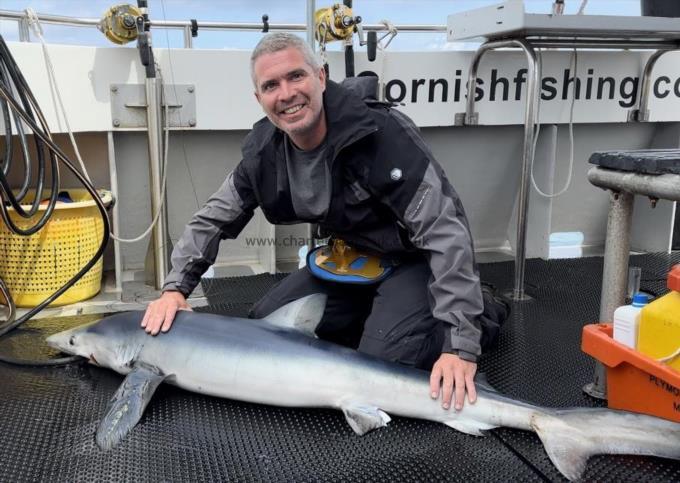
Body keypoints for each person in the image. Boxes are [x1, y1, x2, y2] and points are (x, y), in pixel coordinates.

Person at [141, 32, 508, 412]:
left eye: (296, 76)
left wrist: (460, 346)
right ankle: (384, 314)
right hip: (352, 261)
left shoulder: (380, 135)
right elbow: (212, 219)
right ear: (259, 99)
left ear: (321, 76)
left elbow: (444, 232)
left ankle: (482, 308)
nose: (286, 94)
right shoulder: (263, 153)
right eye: (271, 85)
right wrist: (175, 289)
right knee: (264, 328)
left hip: (414, 262)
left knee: (381, 365)